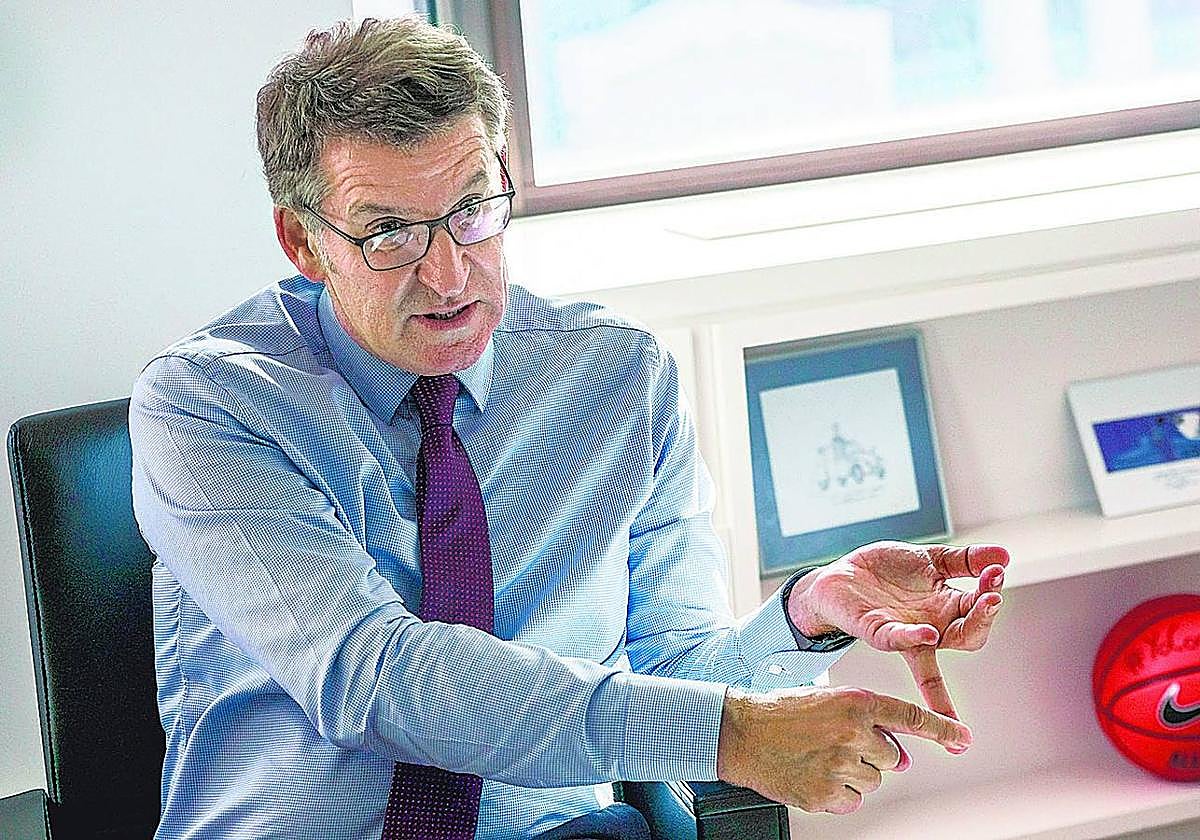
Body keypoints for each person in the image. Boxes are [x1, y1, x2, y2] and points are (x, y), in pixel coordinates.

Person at [128, 15, 1008, 840]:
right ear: (303, 242)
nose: (449, 275)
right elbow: (371, 676)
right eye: (390, 233)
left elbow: (678, 679)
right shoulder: (207, 405)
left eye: (472, 210)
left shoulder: (618, 379)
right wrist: (729, 733)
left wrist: (803, 619)